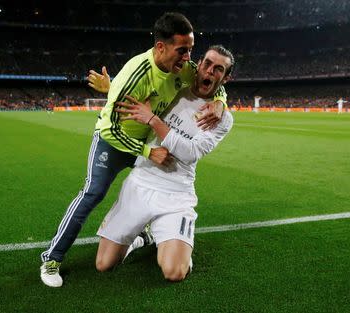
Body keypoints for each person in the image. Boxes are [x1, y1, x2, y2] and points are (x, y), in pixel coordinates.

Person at [40, 12, 228, 287]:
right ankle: (52, 258)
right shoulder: (135, 75)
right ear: (160, 47)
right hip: (116, 143)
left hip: (147, 143)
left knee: (153, 187)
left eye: (190, 50)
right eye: (182, 50)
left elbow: (210, 80)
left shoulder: (183, 68)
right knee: (92, 194)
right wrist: (147, 151)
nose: (188, 58)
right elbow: (110, 130)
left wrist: (220, 102)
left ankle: (152, 233)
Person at [95, 45, 234, 281]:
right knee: (104, 264)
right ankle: (143, 237)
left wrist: (152, 120)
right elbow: (136, 91)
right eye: (208, 64)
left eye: (218, 69)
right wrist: (112, 87)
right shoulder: (174, 88)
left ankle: (172, 242)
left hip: (176, 194)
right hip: (141, 182)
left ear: (226, 77)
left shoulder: (221, 117)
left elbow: (190, 152)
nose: (210, 71)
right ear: (198, 65)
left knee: (174, 272)